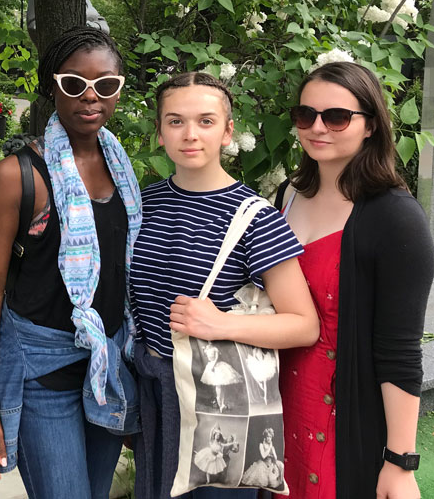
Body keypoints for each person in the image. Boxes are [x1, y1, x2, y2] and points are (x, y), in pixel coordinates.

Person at [0, 27, 142, 499]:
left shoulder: (122, 166)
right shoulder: (17, 177)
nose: (90, 98)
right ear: (51, 87)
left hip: (105, 370)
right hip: (42, 376)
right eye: (74, 84)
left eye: (106, 85)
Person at [128, 71, 319, 499]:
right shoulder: (143, 203)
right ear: (159, 132)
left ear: (228, 131)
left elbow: (304, 324)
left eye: (206, 121)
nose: (190, 134)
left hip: (217, 407)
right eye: (175, 121)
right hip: (154, 394)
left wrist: (220, 325)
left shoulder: (256, 218)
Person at [275, 62, 434, 499]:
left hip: (341, 416)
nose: (317, 127)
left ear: (370, 126)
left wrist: (400, 462)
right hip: (275, 406)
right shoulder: (287, 197)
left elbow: (400, 350)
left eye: (337, 117)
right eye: (305, 115)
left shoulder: (395, 219)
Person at [200, 342, 243, 413]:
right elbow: (205, 356)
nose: (209, 343)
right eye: (208, 342)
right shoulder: (206, 349)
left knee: (222, 386)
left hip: (217, 366)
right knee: (218, 385)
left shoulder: (215, 349)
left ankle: (222, 404)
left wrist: (213, 366)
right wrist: (204, 350)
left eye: (211, 342)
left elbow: (216, 358)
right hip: (211, 366)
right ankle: (219, 403)